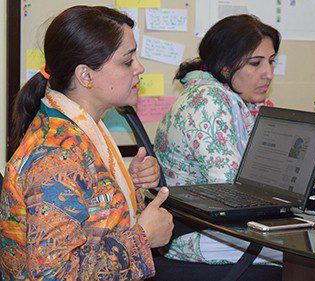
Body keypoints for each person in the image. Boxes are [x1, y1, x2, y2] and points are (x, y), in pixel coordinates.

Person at [0, 6, 173, 280]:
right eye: (127, 61)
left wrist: (128, 186)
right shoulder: (55, 157)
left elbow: (88, 216)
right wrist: (143, 237)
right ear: (85, 76)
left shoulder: (78, 128)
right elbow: (52, 275)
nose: (139, 68)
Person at [153, 14, 282, 280]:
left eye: (271, 61)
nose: (268, 73)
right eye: (255, 63)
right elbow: (233, 190)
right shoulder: (207, 100)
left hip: (214, 226)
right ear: (225, 68)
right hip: (194, 234)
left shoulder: (234, 99)